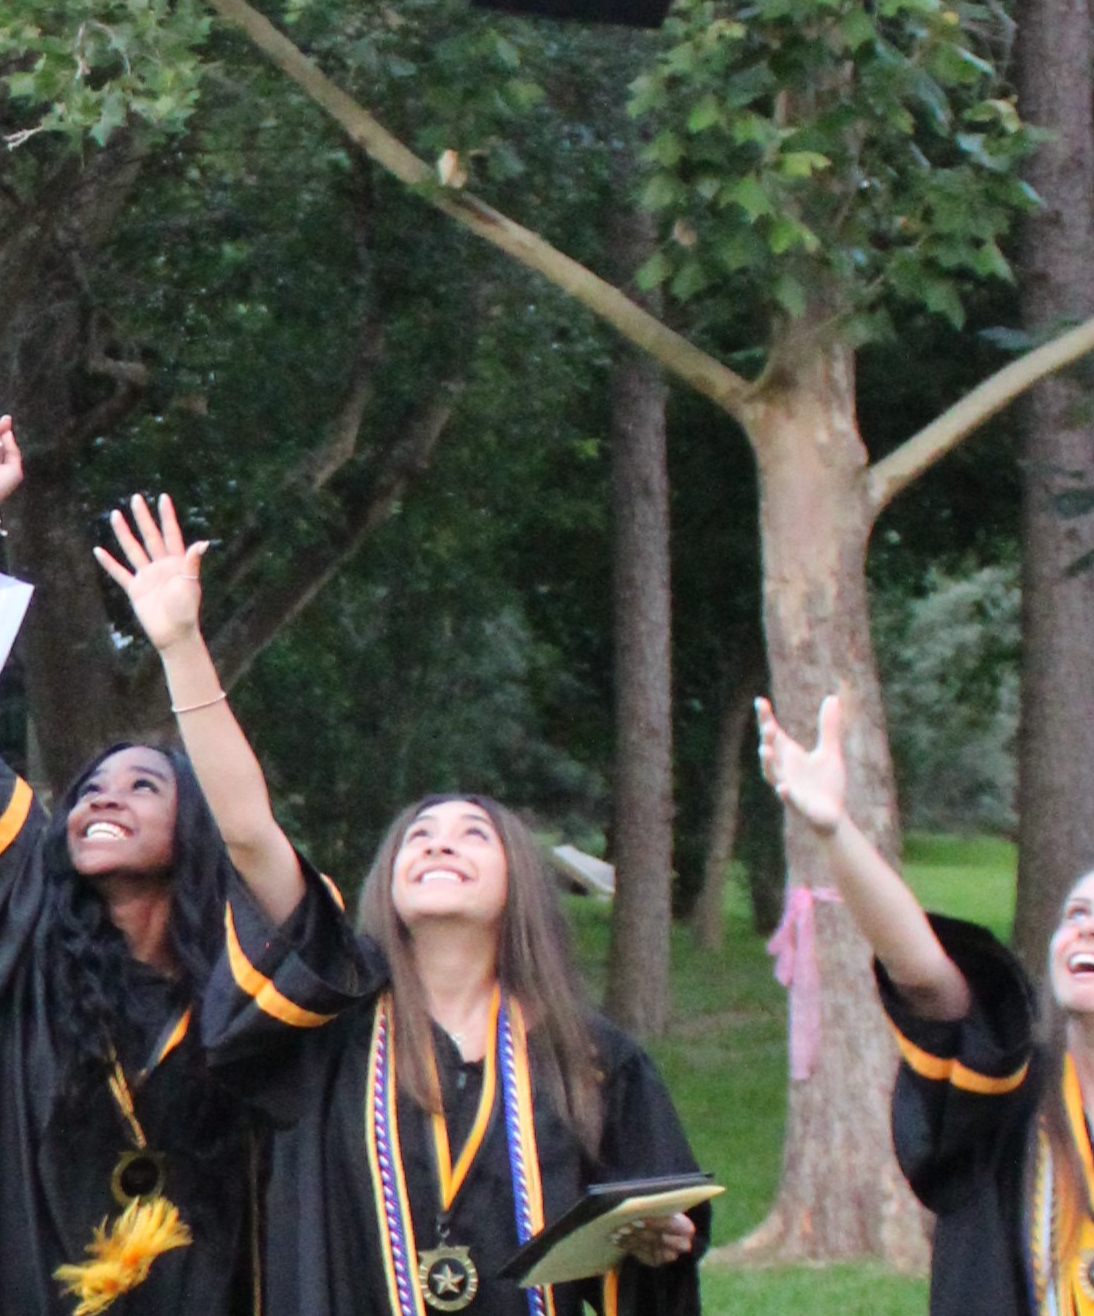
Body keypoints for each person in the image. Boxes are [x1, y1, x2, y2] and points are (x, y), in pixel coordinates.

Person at [152, 493, 699, 1316]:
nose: (440, 843)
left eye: (473, 835)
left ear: (517, 883)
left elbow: (652, 1233)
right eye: (419, 835)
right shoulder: (328, 1025)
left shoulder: (591, 1060)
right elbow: (252, 835)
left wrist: (664, 1240)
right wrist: (181, 644)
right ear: (389, 881)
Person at [0, 457, 282, 1316]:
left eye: (143, 787)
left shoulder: (244, 982)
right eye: (92, 787)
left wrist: (179, 641)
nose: (104, 797)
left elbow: (253, 830)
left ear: (193, 829)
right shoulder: (30, 940)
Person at [763, 693, 1094, 1316]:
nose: (1090, 929)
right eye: (1076, 914)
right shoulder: (1001, 1098)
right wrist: (833, 829)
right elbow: (926, 977)